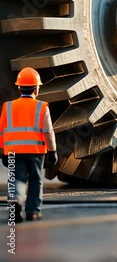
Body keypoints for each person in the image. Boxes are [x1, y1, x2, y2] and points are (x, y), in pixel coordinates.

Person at [0, 67, 58, 223]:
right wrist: (52, 151)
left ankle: (16, 199)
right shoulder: (42, 107)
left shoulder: (8, 107)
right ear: (37, 88)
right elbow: (48, 131)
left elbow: (2, 131)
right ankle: (32, 211)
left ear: (19, 88)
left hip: (13, 150)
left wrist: (3, 152)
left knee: (16, 178)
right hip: (35, 151)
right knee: (35, 180)